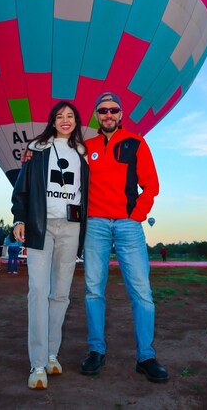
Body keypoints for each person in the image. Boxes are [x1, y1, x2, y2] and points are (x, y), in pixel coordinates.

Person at [80, 92, 168, 383]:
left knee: (141, 292)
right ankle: (96, 351)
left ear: (121, 113)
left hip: (128, 225)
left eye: (113, 110)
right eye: (102, 110)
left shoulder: (137, 143)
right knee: (94, 289)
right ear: (96, 115)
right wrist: (32, 152)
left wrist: (136, 215)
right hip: (95, 225)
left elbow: (151, 185)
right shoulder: (86, 147)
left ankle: (146, 356)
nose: (108, 114)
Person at [12, 101, 89, 390]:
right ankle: (38, 364)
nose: (65, 120)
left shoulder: (83, 153)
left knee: (61, 295)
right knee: (38, 291)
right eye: (60, 116)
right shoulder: (38, 148)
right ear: (53, 121)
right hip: (41, 227)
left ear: (77, 121)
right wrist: (19, 217)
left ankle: (52, 354)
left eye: (70, 116)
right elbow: (21, 186)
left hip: (72, 228)